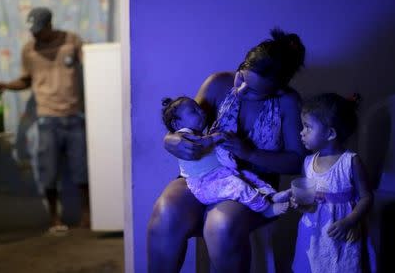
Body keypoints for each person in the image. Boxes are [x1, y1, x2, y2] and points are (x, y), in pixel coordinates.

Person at [147, 28, 307, 273]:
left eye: (253, 91)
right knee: (167, 212)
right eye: (241, 77)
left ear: (277, 89)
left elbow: (297, 162)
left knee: (220, 225)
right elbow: (180, 122)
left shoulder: (287, 102)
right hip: (204, 175)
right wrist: (169, 141)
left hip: (251, 183)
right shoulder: (217, 84)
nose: (241, 90)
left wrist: (250, 153)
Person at [0, 7, 90, 233]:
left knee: (82, 169)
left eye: (38, 30)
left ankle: (88, 215)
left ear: (49, 25)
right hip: (47, 118)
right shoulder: (29, 51)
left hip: (75, 116)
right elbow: (26, 80)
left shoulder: (71, 41)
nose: (35, 35)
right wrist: (6, 86)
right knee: (49, 171)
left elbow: (92, 67)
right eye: (32, 31)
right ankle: (54, 219)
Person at [161, 96, 291, 217]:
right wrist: (215, 137)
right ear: (177, 124)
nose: (201, 111)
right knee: (238, 186)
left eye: (199, 108)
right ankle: (265, 209)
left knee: (250, 178)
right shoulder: (183, 135)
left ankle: (271, 195)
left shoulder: (202, 134)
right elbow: (199, 146)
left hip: (220, 174)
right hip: (204, 184)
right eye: (193, 111)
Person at [291, 93, 375, 273]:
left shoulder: (350, 162)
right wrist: (301, 205)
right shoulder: (308, 163)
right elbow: (309, 204)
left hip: (341, 234)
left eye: (308, 127)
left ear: (330, 133)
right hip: (314, 235)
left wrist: (350, 221)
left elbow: (366, 197)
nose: (301, 132)